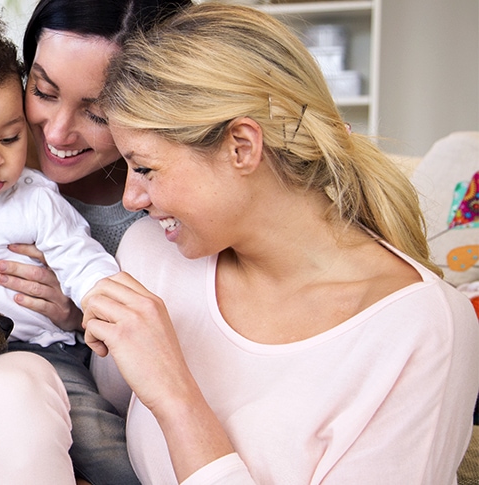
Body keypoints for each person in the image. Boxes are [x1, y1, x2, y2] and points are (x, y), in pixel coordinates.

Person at [79, 3, 479, 484]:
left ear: (241, 146)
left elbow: (162, 401)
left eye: (144, 167)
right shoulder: (151, 256)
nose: (130, 197)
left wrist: (177, 397)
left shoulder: (419, 328)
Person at [0, 2, 189, 485]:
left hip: (43, 353)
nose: (58, 133)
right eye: (42, 91)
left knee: (99, 437)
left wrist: (80, 312)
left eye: (99, 113)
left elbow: (92, 275)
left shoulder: (152, 212)